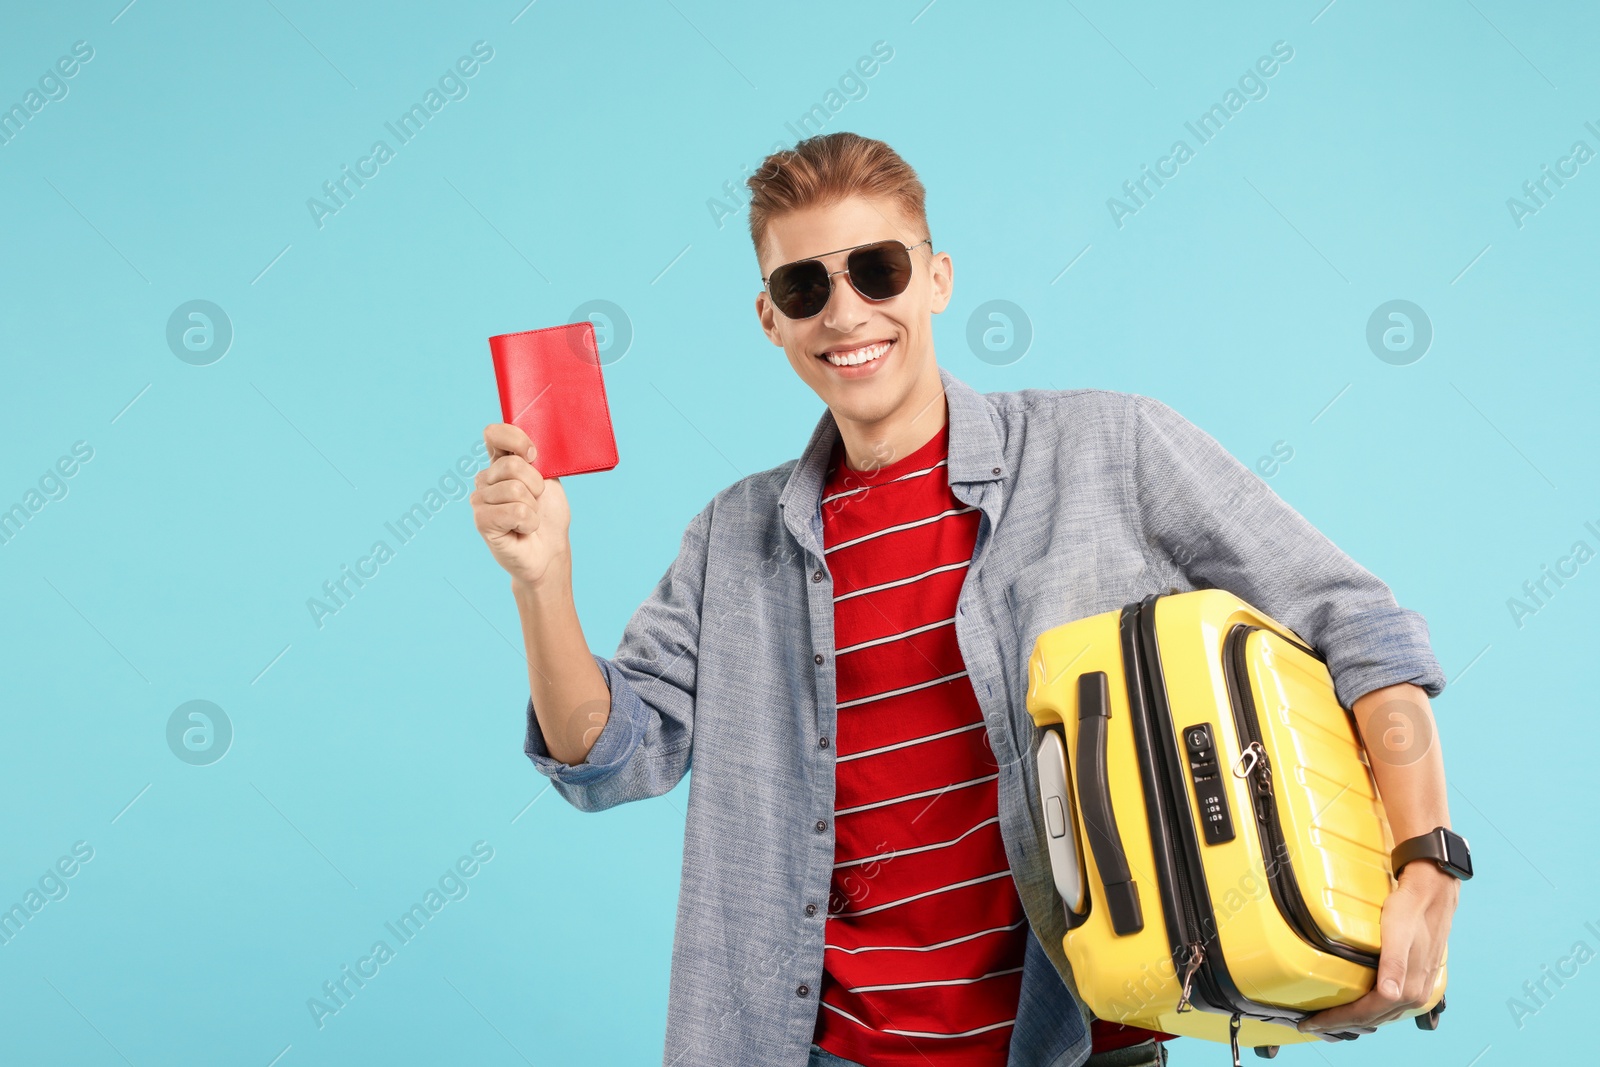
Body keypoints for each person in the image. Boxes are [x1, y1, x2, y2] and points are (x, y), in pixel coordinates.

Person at [469, 132, 1460, 1067]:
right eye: (804, 284)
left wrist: (1426, 861)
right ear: (769, 317)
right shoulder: (733, 539)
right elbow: (610, 758)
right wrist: (541, 582)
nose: (846, 312)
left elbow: (1359, 624)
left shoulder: (1108, 450)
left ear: (937, 277)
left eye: (878, 269)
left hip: (1075, 1044)